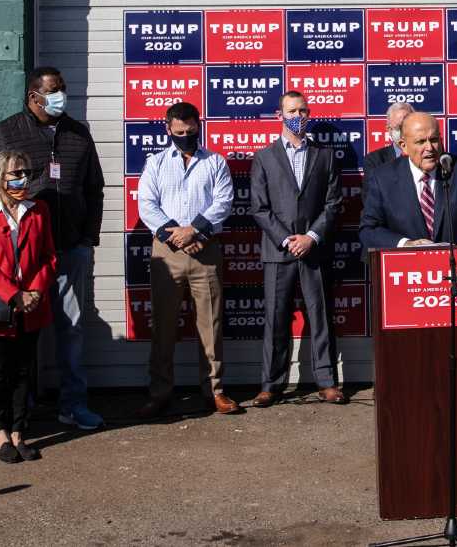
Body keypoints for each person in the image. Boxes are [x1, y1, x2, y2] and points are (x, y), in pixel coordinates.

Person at [0, 66, 105, 431]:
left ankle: (73, 404)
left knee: (73, 328)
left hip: (68, 249)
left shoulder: (77, 133)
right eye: (53, 90)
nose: (60, 96)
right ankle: (22, 410)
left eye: (62, 89)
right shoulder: (6, 132)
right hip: (23, 255)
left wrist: (87, 237)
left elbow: (94, 188)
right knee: (19, 332)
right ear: (33, 96)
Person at [136, 100, 238, 418]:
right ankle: (160, 392)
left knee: (211, 325)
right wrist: (176, 235)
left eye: (190, 131)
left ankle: (215, 391)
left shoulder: (216, 162)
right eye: (178, 132)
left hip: (205, 250)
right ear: (168, 129)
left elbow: (223, 202)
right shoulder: (155, 164)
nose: (184, 136)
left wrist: (194, 231)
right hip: (167, 254)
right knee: (163, 327)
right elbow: (147, 205)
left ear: (198, 125)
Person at [249, 91, 346, 407]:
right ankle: (271, 384)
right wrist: (287, 239)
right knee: (275, 319)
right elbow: (259, 208)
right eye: (292, 111)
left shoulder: (325, 156)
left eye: (303, 110)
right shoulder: (263, 157)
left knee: (320, 317)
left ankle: (326, 381)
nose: (298, 116)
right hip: (279, 252)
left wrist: (311, 237)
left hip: (314, 250)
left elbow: (333, 204)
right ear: (280, 115)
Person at [0, 152, 58, 463]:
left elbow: (49, 257)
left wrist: (34, 291)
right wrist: (15, 294)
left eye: (26, 172)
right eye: (15, 173)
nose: (23, 179)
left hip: (31, 305)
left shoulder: (39, 210)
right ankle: (0, 433)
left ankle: (19, 432)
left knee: (23, 371)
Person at [360, 112, 457, 251]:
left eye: (434, 139)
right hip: (407, 267)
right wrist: (405, 244)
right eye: (420, 142)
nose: (430, 148)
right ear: (403, 146)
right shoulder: (383, 177)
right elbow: (369, 229)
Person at [362, 101, 414, 179]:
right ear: (389, 129)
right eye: (399, 127)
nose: (404, 131)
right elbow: (371, 190)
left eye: (408, 126)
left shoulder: (427, 154)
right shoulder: (374, 161)